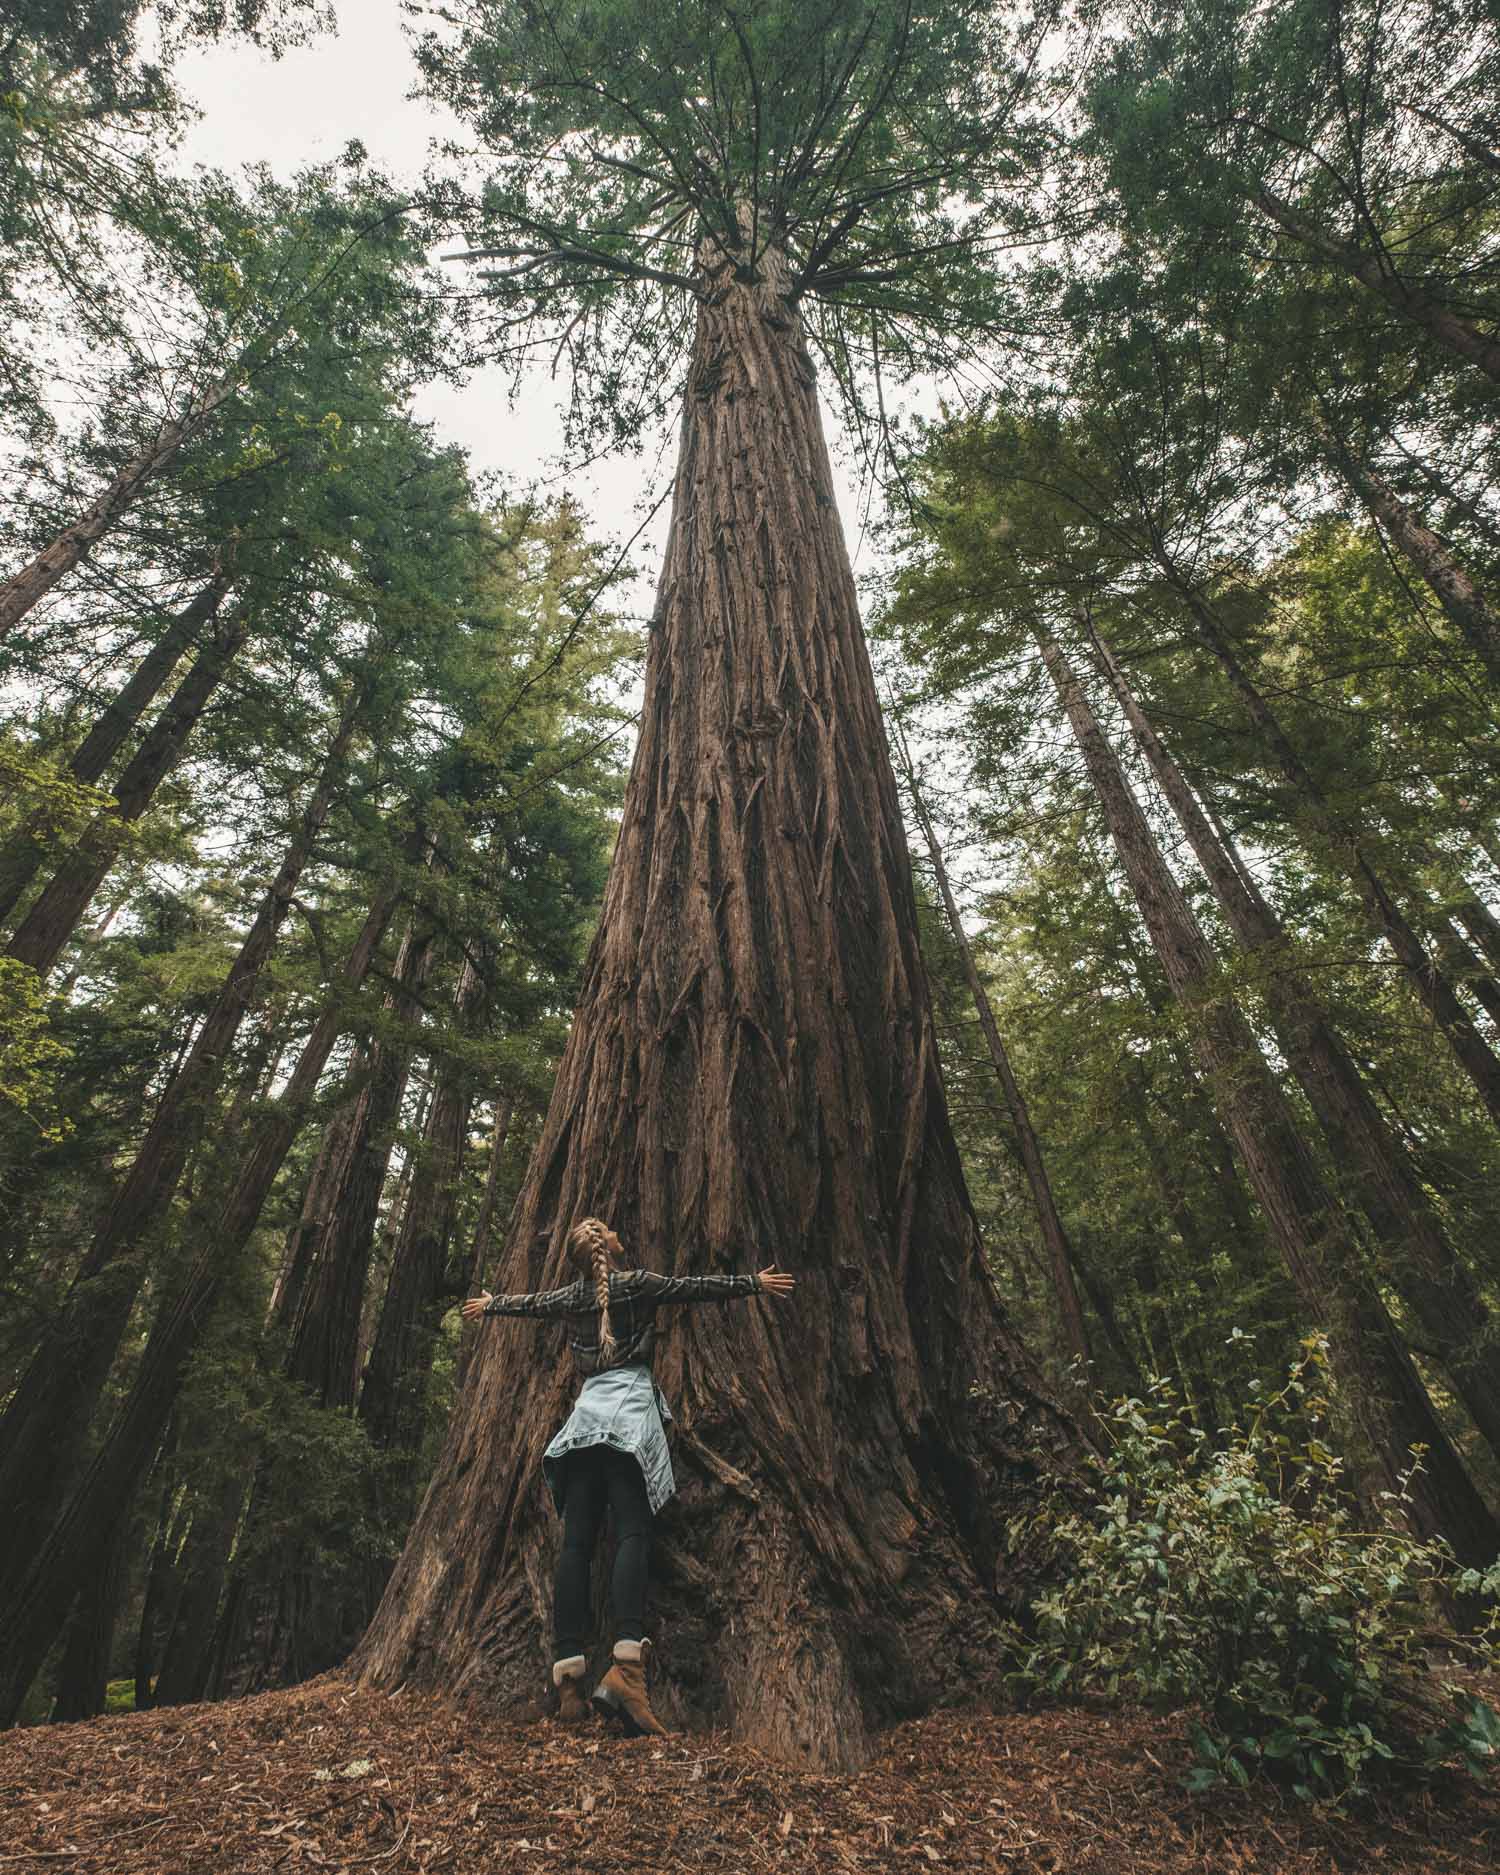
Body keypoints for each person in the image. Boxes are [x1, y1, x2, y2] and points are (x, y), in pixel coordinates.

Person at [462, 1216, 795, 1735]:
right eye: (610, 1230)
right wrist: (754, 1282)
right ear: (607, 1247)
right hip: (628, 1422)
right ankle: (625, 1670)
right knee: (632, 1533)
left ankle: (569, 1677)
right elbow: (695, 1289)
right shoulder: (638, 1284)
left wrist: (490, 1304)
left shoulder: (571, 1297)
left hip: (583, 1424)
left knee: (576, 1544)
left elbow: (529, 1305)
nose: (618, 1232)